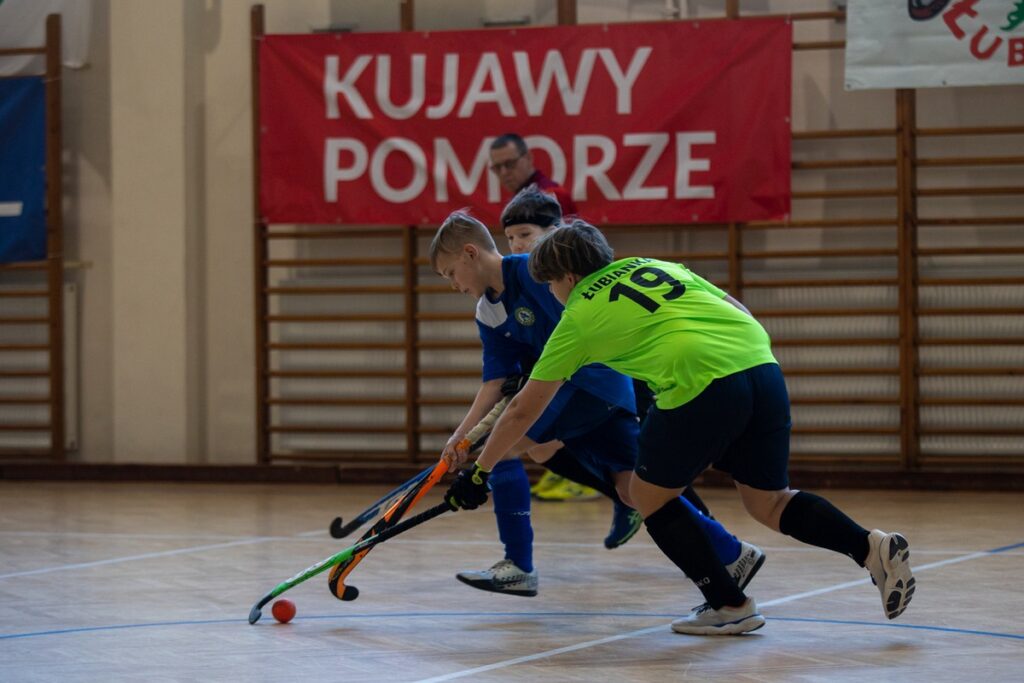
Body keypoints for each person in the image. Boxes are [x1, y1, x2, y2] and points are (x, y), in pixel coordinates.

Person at [445, 220, 916, 635]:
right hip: (760, 364)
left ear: (569, 277)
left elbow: (524, 411)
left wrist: (480, 471)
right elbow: (735, 306)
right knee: (768, 500)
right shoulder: (656, 264)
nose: (551, 294)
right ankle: (868, 546)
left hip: (699, 381)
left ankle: (730, 605)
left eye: (551, 285)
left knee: (646, 496)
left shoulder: (579, 315)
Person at [431, 209, 763, 602]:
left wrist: (478, 463)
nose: (453, 284)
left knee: (507, 449)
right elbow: (496, 382)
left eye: (450, 273)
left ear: (470, 253)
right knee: (632, 490)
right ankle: (732, 552)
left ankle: (518, 566)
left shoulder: (537, 272)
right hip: (576, 394)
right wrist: (462, 437)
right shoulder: (488, 311)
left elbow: (558, 361)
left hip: (589, 385)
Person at [489, 133, 585, 501]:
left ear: (529, 159)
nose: (504, 172)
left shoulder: (550, 196)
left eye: (510, 163)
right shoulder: (520, 205)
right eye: (496, 167)